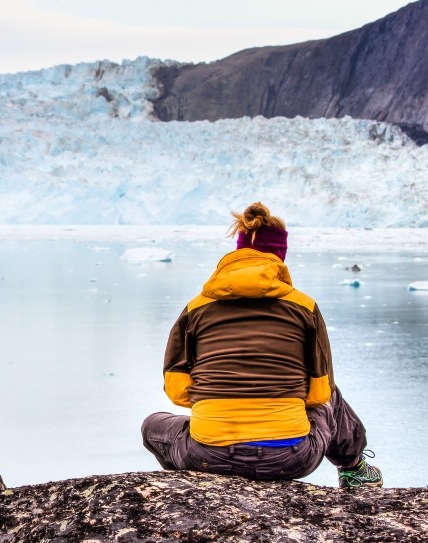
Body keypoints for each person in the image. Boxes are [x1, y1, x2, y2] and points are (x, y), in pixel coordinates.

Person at [141, 202, 383, 488]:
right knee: (332, 396)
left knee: (153, 425)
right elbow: (319, 392)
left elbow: (178, 392)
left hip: (204, 455)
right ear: (279, 257)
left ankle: (196, 489)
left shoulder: (197, 307)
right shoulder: (304, 307)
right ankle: (355, 471)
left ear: (238, 252)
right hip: (291, 457)